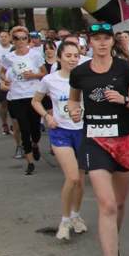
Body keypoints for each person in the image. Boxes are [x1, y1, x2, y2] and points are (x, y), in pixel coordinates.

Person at [68, 23, 129, 256]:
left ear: (112, 42)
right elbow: (73, 101)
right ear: (88, 43)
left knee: (120, 203)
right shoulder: (79, 73)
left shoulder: (125, 69)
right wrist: (75, 112)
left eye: (106, 38)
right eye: (96, 39)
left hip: (124, 141)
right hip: (94, 140)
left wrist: (124, 100)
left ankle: (112, 242)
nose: (102, 43)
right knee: (107, 203)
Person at [32, 41, 88, 241]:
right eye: (68, 56)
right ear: (59, 58)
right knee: (72, 177)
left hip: (82, 132)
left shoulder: (85, 79)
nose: (73, 59)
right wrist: (47, 117)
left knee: (80, 178)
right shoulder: (50, 80)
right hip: (60, 133)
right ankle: (64, 220)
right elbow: (35, 101)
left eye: (76, 56)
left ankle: (76, 215)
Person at [0, 26, 48, 172]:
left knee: (35, 128)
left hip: (32, 95)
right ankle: (30, 162)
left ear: (27, 39)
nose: (20, 41)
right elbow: (2, 73)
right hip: (16, 96)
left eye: (23, 38)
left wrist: (33, 75)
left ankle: (34, 145)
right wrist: (5, 79)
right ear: (13, 40)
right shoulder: (9, 57)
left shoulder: (35, 55)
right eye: (17, 38)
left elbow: (44, 73)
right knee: (23, 128)